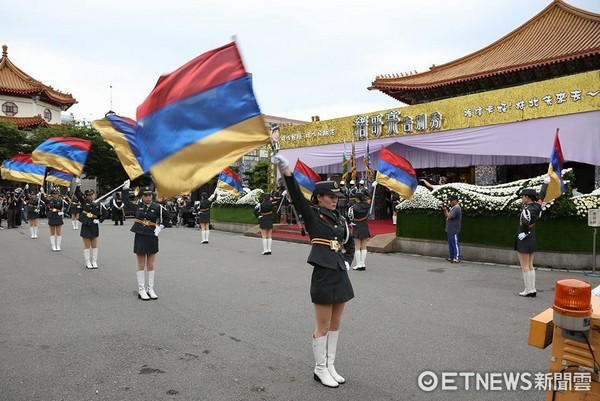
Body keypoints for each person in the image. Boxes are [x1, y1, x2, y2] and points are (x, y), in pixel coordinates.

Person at [273, 153, 355, 388]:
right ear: (319, 198)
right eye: (330, 197)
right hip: (323, 273)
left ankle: (330, 365)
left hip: (340, 272)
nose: (335, 200)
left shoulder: (340, 219)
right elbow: (297, 197)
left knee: (336, 325)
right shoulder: (313, 216)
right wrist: (287, 171)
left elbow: (349, 242)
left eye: (336, 197)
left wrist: (348, 260)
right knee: (323, 326)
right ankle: (320, 369)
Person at [122, 181, 171, 300]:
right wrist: (125, 188)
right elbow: (125, 201)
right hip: (140, 235)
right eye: (145, 195)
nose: (148, 197)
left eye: (150, 195)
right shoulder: (137, 205)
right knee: (140, 264)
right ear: (142, 196)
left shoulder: (157, 207)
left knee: (150, 264)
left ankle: (150, 289)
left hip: (152, 235)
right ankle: (141, 290)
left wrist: (161, 227)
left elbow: (169, 216)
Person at [516, 180, 548, 298]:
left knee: (524, 266)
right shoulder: (537, 206)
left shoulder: (527, 209)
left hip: (524, 238)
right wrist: (545, 184)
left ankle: (528, 289)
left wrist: (524, 232)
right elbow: (541, 195)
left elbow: (525, 222)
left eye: (523, 196)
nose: (522, 199)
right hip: (532, 238)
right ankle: (532, 289)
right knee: (530, 265)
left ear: (527, 197)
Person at [74, 180, 108, 268]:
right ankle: (88, 262)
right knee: (87, 245)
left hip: (94, 225)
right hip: (86, 224)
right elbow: (78, 194)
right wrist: (78, 185)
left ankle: (94, 261)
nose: (90, 196)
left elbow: (106, 213)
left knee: (94, 245)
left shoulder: (99, 204)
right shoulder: (84, 202)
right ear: (86, 196)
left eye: (91, 195)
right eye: (88, 195)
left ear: (94, 195)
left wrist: (100, 220)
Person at [349, 191, 371, 271]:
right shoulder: (367, 205)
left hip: (357, 226)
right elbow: (369, 198)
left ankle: (358, 264)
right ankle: (363, 263)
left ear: (357, 199)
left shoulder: (353, 207)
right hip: (365, 226)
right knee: (364, 246)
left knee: (357, 247)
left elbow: (350, 217)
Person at [443, 194, 462, 263]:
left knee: (455, 243)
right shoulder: (453, 207)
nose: (450, 202)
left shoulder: (457, 208)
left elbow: (449, 216)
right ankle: (452, 257)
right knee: (451, 244)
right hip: (450, 229)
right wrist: (445, 210)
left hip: (454, 229)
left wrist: (445, 210)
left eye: (451, 200)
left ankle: (456, 257)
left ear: (455, 200)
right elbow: (447, 216)